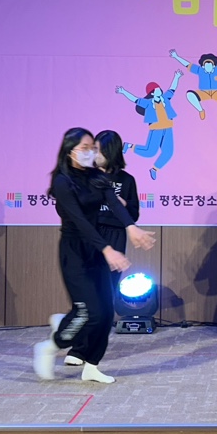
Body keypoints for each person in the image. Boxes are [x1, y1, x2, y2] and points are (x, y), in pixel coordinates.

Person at [34, 128, 155, 383]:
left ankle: (91, 366)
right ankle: (51, 346)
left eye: (93, 148)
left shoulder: (97, 177)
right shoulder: (63, 182)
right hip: (75, 252)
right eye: (85, 148)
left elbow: (114, 203)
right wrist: (107, 249)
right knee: (90, 312)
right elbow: (80, 222)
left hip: (97, 250)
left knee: (106, 312)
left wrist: (131, 227)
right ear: (70, 151)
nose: (91, 153)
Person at [62, 129, 138, 368]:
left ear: (111, 152)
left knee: (107, 295)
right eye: (91, 149)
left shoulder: (126, 180)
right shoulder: (87, 176)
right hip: (93, 236)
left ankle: (92, 354)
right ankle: (78, 348)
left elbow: (133, 214)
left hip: (115, 236)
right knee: (87, 296)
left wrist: (121, 205)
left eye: (98, 150)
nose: (94, 154)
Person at [116, 70, 184, 179]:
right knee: (150, 152)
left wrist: (177, 77)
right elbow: (135, 99)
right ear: (152, 93)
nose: (159, 90)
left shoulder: (165, 98)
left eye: (159, 89)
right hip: (156, 129)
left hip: (168, 128)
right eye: (157, 90)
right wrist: (123, 92)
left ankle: (154, 169)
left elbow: (172, 89)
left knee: (168, 152)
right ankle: (129, 146)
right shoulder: (147, 103)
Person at [169, 45, 217, 127]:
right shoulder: (200, 70)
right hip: (204, 92)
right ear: (203, 66)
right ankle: (201, 110)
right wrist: (176, 56)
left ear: (214, 65)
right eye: (206, 65)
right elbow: (187, 64)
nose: (208, 66)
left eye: (210, 64)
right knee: (189, 95)